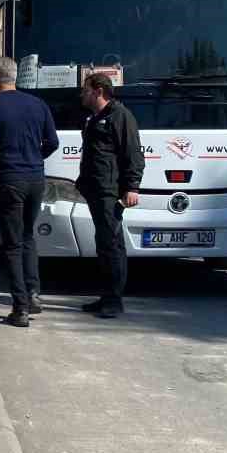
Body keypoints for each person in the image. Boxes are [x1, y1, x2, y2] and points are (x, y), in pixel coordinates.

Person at [0, 56, 59, 327]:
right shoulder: (38, 104)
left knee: (12, 245)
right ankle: (34, 292)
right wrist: (35, 157)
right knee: (28, 237)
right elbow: (53, 141)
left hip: (9, 178)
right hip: (35, 178)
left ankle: (20, 307)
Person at [75, 72, 144, 319]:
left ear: (98, 91)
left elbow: (133, 154)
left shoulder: (120, 116)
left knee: (112, 244)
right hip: (96, 190)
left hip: (110, 191)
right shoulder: (96, 117)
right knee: (103, 245)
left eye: (85, 89)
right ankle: (105, 296)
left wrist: (132, 187)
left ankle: (114, 300)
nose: (82, 94)